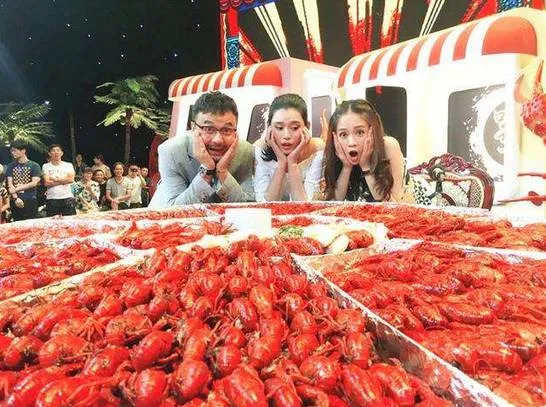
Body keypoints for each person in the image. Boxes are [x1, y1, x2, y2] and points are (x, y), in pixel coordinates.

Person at [149, 91, 255, 207]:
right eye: (209, 129)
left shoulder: (246, 152)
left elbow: (249, 207)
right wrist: (206, 171)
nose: (218, 140)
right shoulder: (172, 151)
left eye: (226, 130)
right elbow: (175, 209)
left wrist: (223, 172)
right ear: (193, 128)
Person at [320, 99, 407, 202]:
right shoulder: (335, 151)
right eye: (343, 134)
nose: (351, 142)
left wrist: (365, 166)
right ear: (335, 137)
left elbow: (394, 207)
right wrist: (346, 167)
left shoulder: (389, 146)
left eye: (360, 132)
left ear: (373, 131)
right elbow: (334, 203)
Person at [254, 94, 324, 201]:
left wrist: (292, 163)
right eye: (279, 128)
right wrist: (281, 164)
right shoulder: (261, 148)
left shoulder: (317, 149)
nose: (286, 135)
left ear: (307, 127)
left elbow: (306, 204)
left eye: (294, 128)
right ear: (269, 127)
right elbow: (263, 204)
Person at [5, 140, 42, 221]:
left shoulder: (34, 165)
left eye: (14, 150)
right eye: (11, 151)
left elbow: (34, 183)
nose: (12, 153)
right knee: (17, 225)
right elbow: (9, 183)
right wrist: (15, 198)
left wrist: (16, 189)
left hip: (30, 199)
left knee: (31, 224)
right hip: (15, 200)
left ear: (23, 151)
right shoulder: (10, 166)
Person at [42, 144, 77, 216]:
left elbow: (71, 179)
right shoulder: (46, 166)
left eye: (58, 150)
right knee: (53, 221)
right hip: (52, 198)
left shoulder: (68, 165)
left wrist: (55, 179)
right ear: (49, 154)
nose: (56, 152)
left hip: (67, 197)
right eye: (53, 151)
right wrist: (64, 181)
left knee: (70, 221)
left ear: (62, 153)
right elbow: (47, 183)